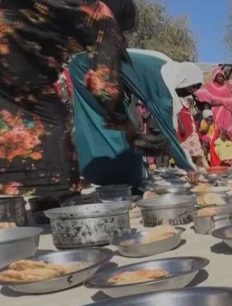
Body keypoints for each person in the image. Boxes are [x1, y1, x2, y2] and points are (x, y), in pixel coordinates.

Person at [0, 0, 136, 199]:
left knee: (12, 121)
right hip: (16, 59)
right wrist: (125, 123)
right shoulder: (103, 16)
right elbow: (103, 86)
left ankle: (14, 205)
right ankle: (57, 202)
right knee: (53, 125)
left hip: (12, 52)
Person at [71, 48, 197, 187]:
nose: (188, 93)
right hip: (89, 71)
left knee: (117, 126)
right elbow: (168, 131)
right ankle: (111, 179)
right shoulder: (162, 88)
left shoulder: (166, 65)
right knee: (115, 127)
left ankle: (110, 177)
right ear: (184, 79)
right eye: (189, 88)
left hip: (91, 68)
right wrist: (187, 166)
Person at [195, 67, 232, 140]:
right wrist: (211, 101)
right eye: (218, 76)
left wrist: (221, 101)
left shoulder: (226, 88)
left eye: (222, 76)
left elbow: (231, 101)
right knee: (215, 129)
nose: (220, 78)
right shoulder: (210, 86)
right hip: (214, 111)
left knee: (227, 131)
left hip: (225, 112)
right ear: (215, 77)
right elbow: (200, 93)